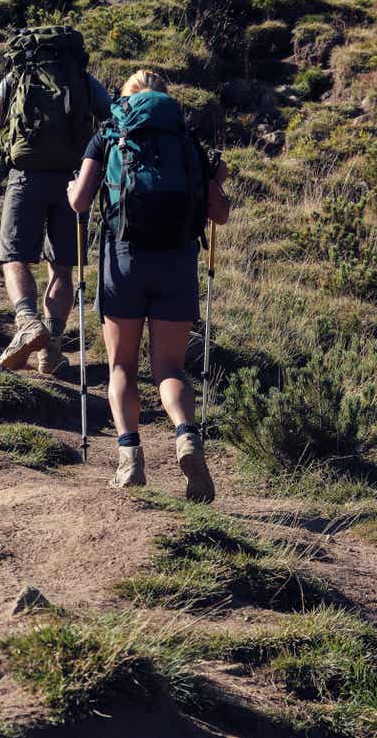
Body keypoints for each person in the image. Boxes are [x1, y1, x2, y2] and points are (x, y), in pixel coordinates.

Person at [67, 70, 230, 503]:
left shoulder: (110, 133)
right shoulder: (186, 139)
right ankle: (186, 437)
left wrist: (71, 189)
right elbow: (220, 213)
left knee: (121, 365)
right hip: (177, 260)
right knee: (170, 369)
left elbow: (81, 201)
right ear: (164, 98)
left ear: (126, 97)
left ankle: (130, 458)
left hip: (124, 259)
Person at [0, 26, 113, 374]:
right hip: (74, 181)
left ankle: (28, 322)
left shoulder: (17, 76)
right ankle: (52, 347)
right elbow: (111, 122)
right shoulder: (82, 78)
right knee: (62, 267)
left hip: (25, 175)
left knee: (14, 256)